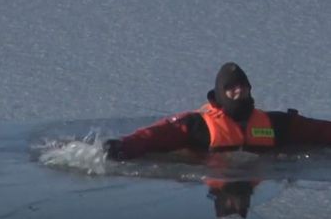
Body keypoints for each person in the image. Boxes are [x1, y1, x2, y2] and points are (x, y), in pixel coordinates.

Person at [103, 62, 331, 160]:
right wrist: (124, 146)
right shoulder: (197, 125)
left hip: (252, 175)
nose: (238, 91)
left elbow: (315, 130)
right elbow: (157, 134)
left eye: (243, 86)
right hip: (215, 173)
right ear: (220, 93)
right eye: (231, 88)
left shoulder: (273, 123)